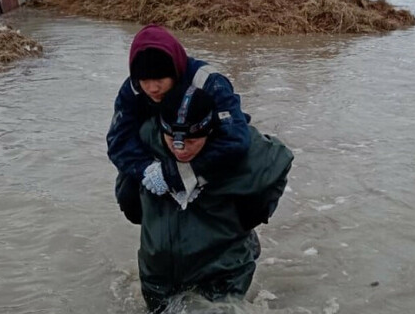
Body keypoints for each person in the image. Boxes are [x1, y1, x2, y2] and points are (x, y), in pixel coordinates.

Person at [137, 86, 293, 312]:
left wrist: (252, 215)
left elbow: (279, 161)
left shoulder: (237, 148)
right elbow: (126, 185)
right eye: (172, 139)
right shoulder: (145, 141)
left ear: (209, 131)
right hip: (158, 271)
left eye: (191, 141)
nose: (180, 149)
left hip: (223, 268)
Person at [106, 24, 251, 227]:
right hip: (158, 151)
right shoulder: (133, 89)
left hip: (206, 150)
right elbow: (118, 141)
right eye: (145, 80)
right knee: (128, 197)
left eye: (160, 78)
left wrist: (177, 174)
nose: (152, 88)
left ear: (174, 72)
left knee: (245, 195)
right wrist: (148, 170)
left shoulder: (209, 82)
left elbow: (235, 139)